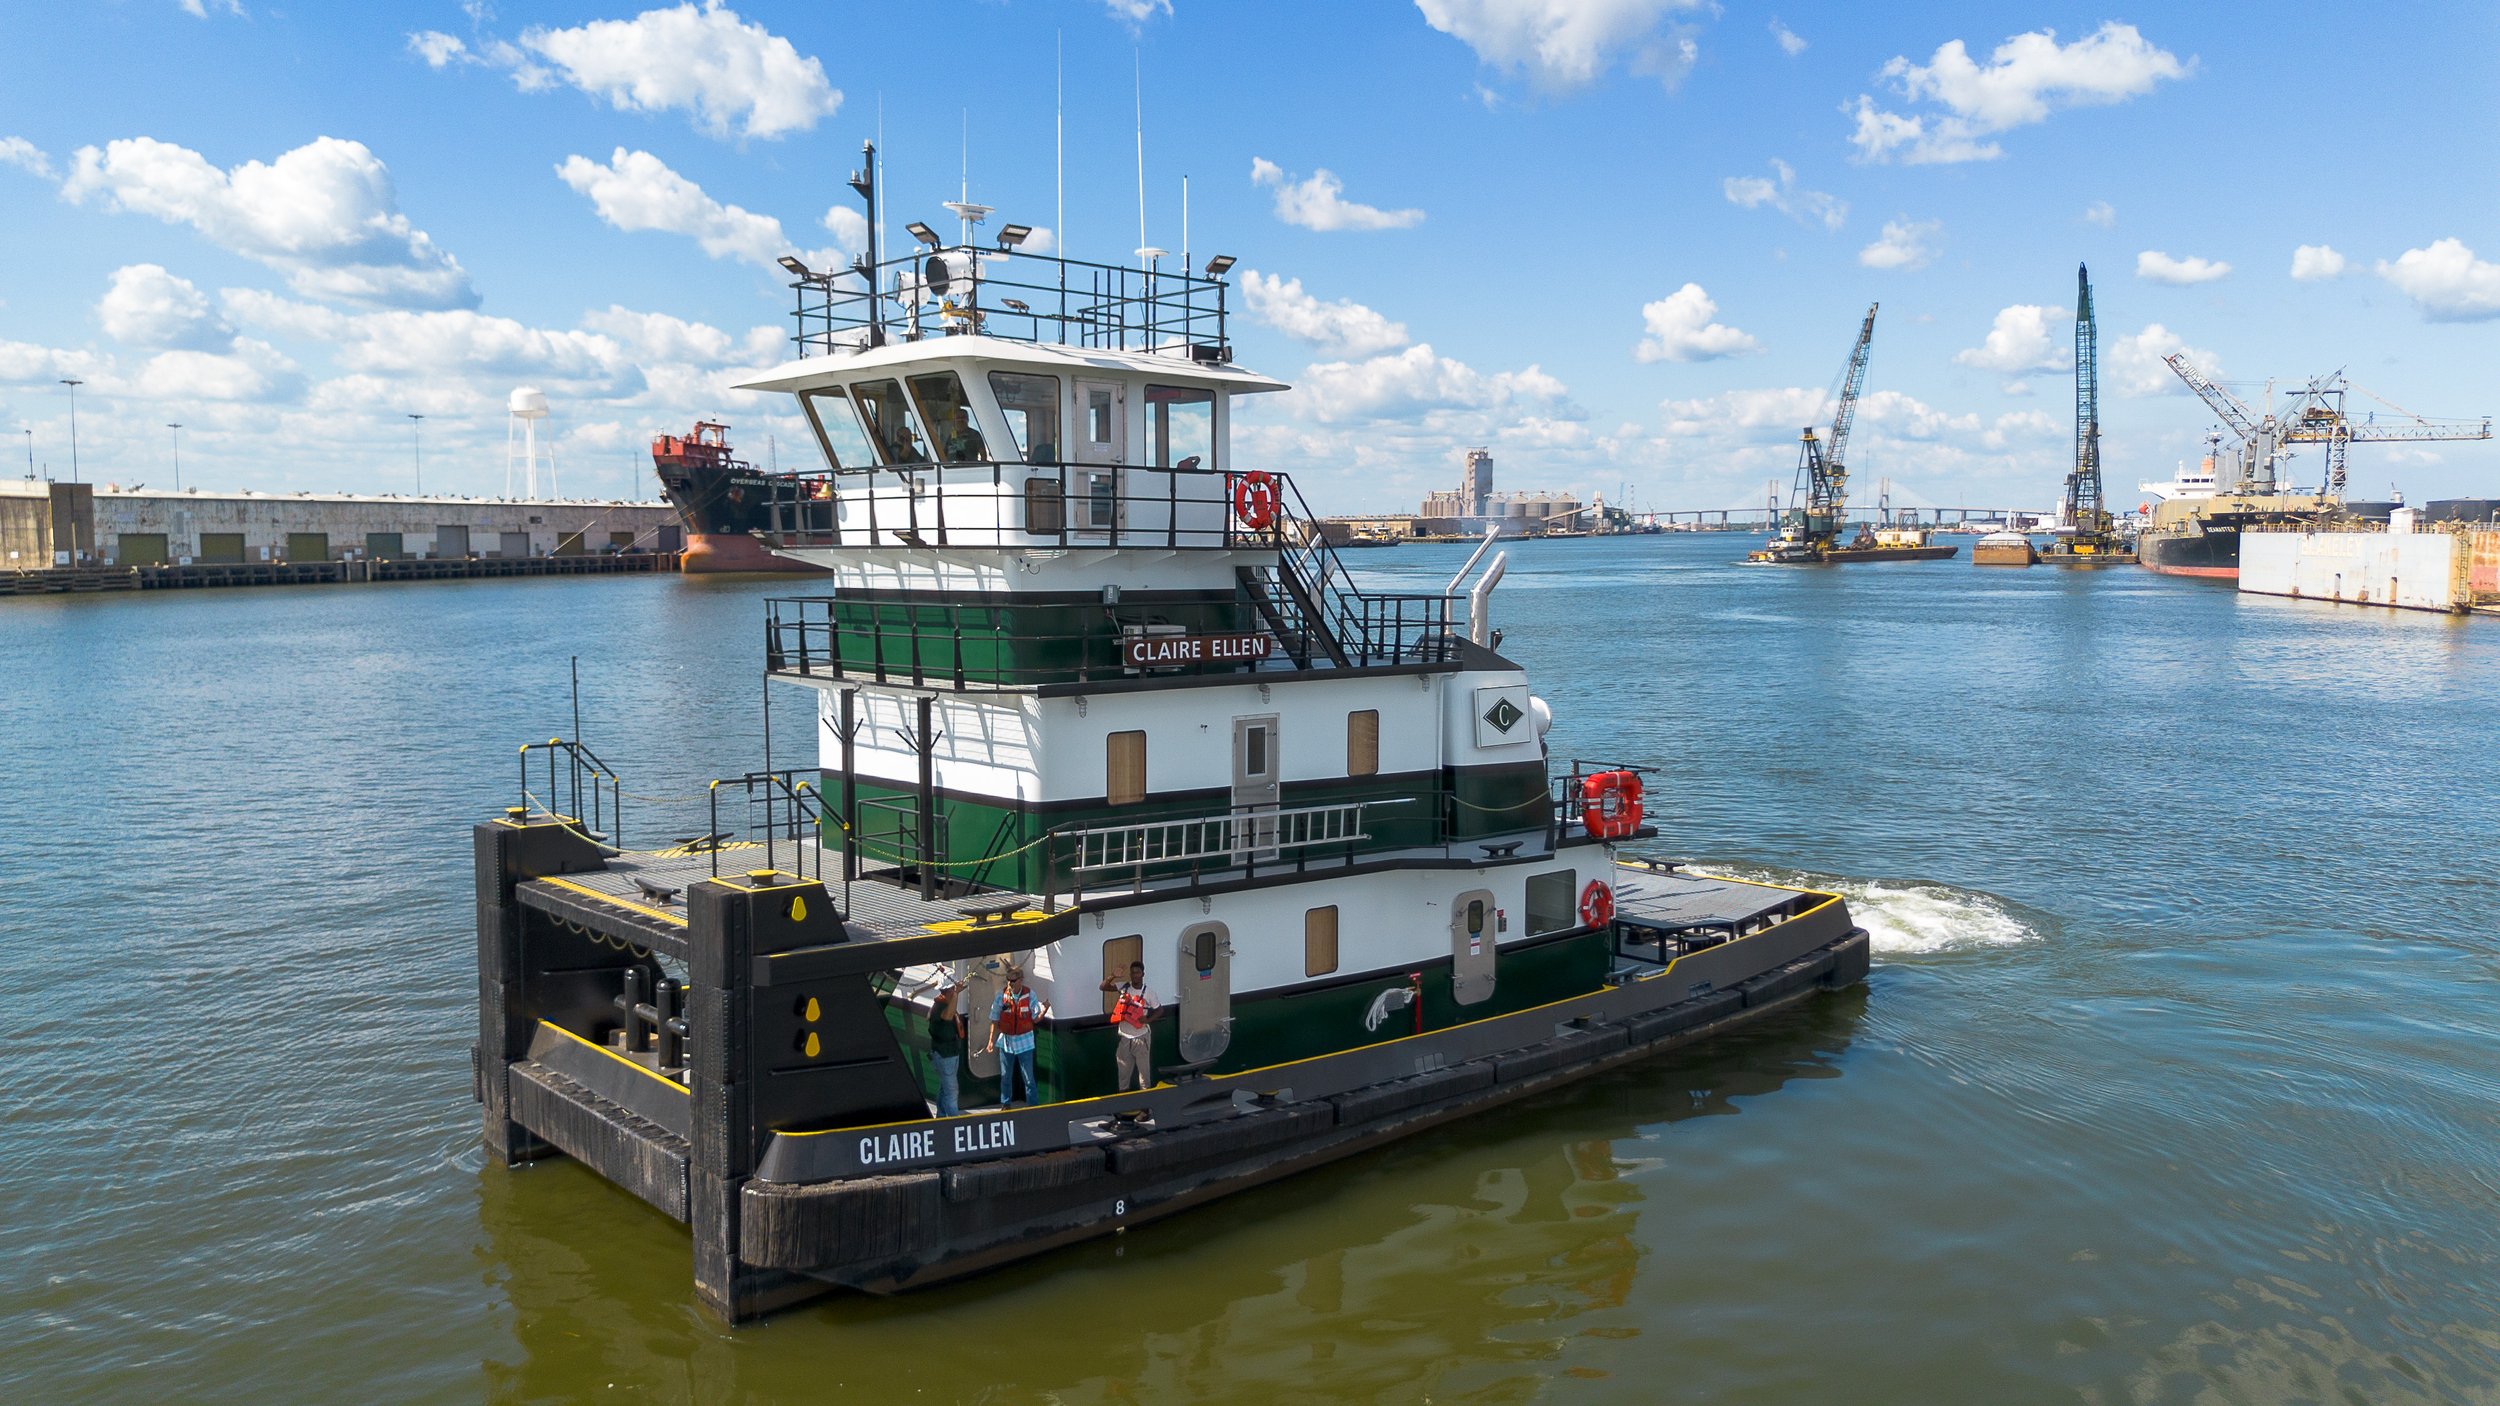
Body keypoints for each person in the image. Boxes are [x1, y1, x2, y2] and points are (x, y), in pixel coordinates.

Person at [985, 966, 1047, 1107]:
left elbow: (1036, 1018)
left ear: (1020, 980)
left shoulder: (1030, 995)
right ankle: (1006, 1104)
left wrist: (1045, 1009)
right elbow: (994, 1019)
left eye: (1013, 980)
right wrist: (990, 1041)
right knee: (1005, 1076)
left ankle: (1033, 1106)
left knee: (1029, 1079)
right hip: (1006, 1042)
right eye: (1008, 980)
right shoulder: (1001, 996)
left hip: (1025, 1041)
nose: (1010, 984)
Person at [1098, 960, 1158, 1092]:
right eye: (1132, 973)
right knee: (1123, 1076)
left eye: (1137, 972)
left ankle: (1145, 1109)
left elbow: (1159, 1010)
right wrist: (1112, 976)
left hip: (1141, 1038)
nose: (1135, 975)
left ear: (1143, 974)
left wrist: (1148, 1019)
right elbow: (1103, 987)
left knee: (1144, 1077)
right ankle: (1123, 1108)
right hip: (1124, 1038)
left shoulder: (1149, 993)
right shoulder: (1124, 986)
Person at [927, 980, 967, 1117]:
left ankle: (941, 1116)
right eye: (952, 991)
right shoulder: (940, 1008)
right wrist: (956, 994)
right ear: (949, 992)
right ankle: (954, 1122)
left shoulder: (941, 1004)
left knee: (945, 1088)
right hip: (945, 1055)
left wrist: (956, 993)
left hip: (949, 1053)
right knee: (952, 1091)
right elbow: (948, 1016)